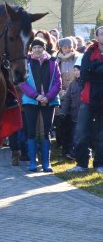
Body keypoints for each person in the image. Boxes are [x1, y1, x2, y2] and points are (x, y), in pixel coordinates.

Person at [19, 37, 62, 172]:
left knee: (46, 131)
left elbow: (58, 82)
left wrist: (48, 97)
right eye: (35, 47)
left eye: (40, 47)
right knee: (31, 131)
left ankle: (46, 163)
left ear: (44, 48)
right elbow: (21, 82)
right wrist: (36, 96)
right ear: (31, 49)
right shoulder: (26, 62)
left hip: (49, 101)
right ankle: (32, 162)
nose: (37, 49)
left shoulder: (52, 62)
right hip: (31, 101)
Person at [68, 26, 103, 173]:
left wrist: (94, 68)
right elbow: (84, 74)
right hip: (88, 98)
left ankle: (99, 164)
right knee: (82, 132)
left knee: (102, 135)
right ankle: (81, 163)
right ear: (97, 36)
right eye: (102, 33)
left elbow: (90, 71)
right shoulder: (89, 52)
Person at [57, 55, 83, 160]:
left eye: (79, 70)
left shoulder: (86, 83)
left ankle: (81, 153)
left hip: (84, 114)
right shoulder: (72, 84)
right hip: (74, 115)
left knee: (82, 136)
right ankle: (72, 152)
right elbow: (67, 99)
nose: (76, 72)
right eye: (75, 70)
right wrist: (63, 112)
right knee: (73, 135)